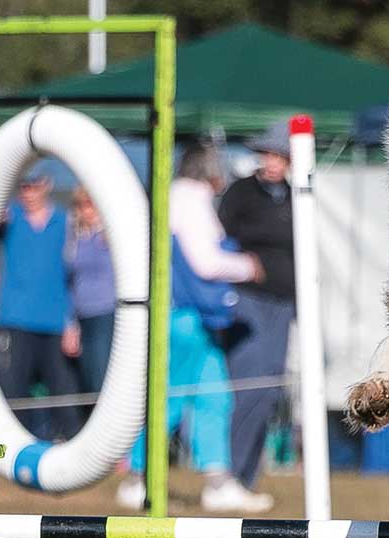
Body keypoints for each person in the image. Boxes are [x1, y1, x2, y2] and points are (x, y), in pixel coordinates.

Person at [117, 144, 268, 513]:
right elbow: (205, 263)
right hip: (184, 317)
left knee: (214, 397)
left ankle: (218, 481)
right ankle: (137, 478)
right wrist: (248, 266)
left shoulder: (174, 198)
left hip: (190, 318)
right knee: (168, 399)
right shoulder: (191, 200)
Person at [215, 123, 296, 504]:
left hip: (284, 304)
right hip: (246, 301)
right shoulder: (241, 193)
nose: (273, 162)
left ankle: (246, 477)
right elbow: (217, 244)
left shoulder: (297, 199)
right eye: (268, 154)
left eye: (280, 156)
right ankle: (226, 475)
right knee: (246, 384)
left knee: (269, 389)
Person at [0, 170, 81, 441]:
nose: (29, 192)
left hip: (55, 322)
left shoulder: (65, 222)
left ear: (47, 185)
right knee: (13, 391)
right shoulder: (10, 218)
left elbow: (75, 276)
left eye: (34, 185)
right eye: (24, 186)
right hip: (15, 320)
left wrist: (71, 323)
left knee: (64, 392)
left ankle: (74, 447)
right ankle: (11, 447)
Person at [64, 187, 116, 393]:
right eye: (82, 204)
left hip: (106, 311)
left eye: (91, 204)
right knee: (87, 375)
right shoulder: (74, 237)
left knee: (101, 375)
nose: (87, 210)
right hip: (83, 313)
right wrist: (70, 323)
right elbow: (70, 280)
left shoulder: (110, 235)